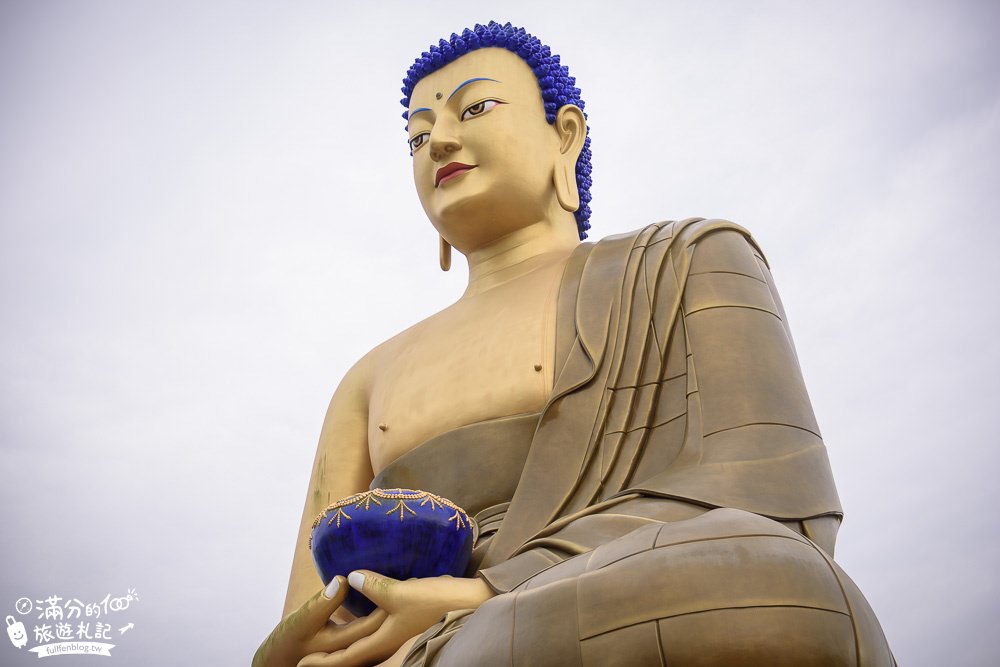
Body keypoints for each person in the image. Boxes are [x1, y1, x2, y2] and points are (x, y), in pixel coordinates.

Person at [254, 22, 895, 667]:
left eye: (474, 108)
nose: (439, 142)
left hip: (622, 595)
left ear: (566, 134)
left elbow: (776, 495)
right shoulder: (370, 377)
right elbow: (309, 616)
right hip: (407, 652)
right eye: (418, 136)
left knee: (776, 583)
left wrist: (483, 590)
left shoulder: (687, 261)